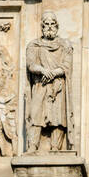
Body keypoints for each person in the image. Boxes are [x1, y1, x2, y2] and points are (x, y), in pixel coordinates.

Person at [26, 11, 73, 152]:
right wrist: (42, 70)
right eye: (46, 24)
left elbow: (67, 65)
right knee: (36, 114)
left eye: (53, 24)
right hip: (41, 84)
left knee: (58, 117)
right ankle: (33, 145)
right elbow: (31, 64)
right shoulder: (34, 45)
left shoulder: (65, 45)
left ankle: (55, 147)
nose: (50, 27)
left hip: (58, 84)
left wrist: (53, 73)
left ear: (57, 26)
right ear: (42, 27)